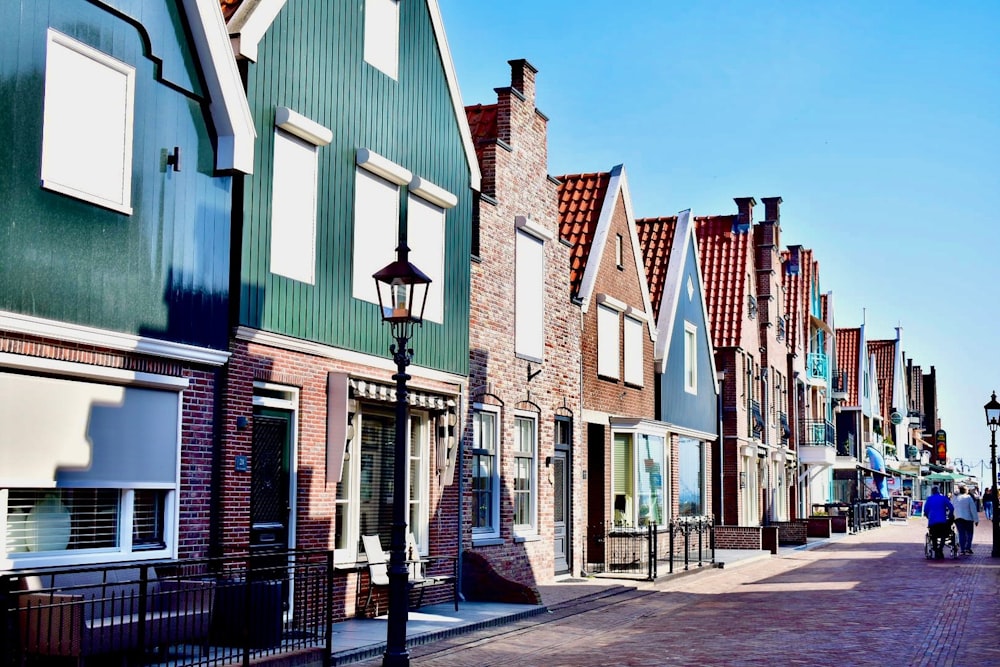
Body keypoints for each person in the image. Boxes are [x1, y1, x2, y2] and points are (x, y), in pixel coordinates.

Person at [924, 486, 954, 560]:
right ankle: (940, 548)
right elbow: (951, 508)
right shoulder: (943, 498)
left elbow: (925, 510)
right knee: (943, 535)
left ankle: (935, 549)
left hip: (932, 521)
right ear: (938, 491)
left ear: (932, 491)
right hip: (942, 521)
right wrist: (950, 515)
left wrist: (928, 516)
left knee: (933, 536)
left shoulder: (929, 499)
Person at [952, 485, 978, 555]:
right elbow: (973, 509)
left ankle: (962, 549)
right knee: (969, 533)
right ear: (965, 491)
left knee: (961, 533)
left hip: (958, 518)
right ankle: (968, 548)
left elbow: (952, 506)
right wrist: (976, 520)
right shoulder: (968, 497)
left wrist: (953, 516)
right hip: (968, 518)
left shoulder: (955, 498)